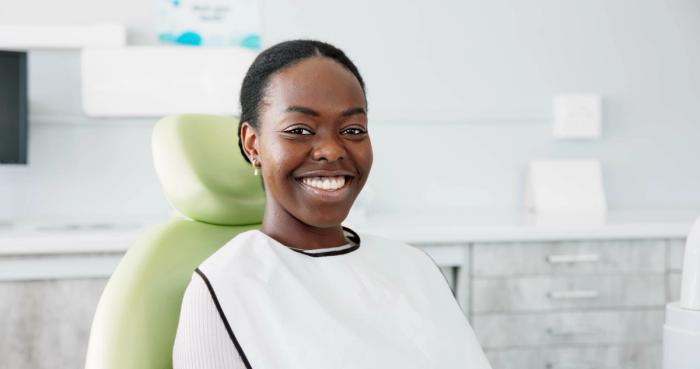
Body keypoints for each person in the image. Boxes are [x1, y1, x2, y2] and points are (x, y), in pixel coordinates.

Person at [172, 39, 492, 369]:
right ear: (253, 144)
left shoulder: (415, 266)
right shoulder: (226, 285)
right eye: (299, 130)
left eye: (353, 129)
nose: (331, 150)